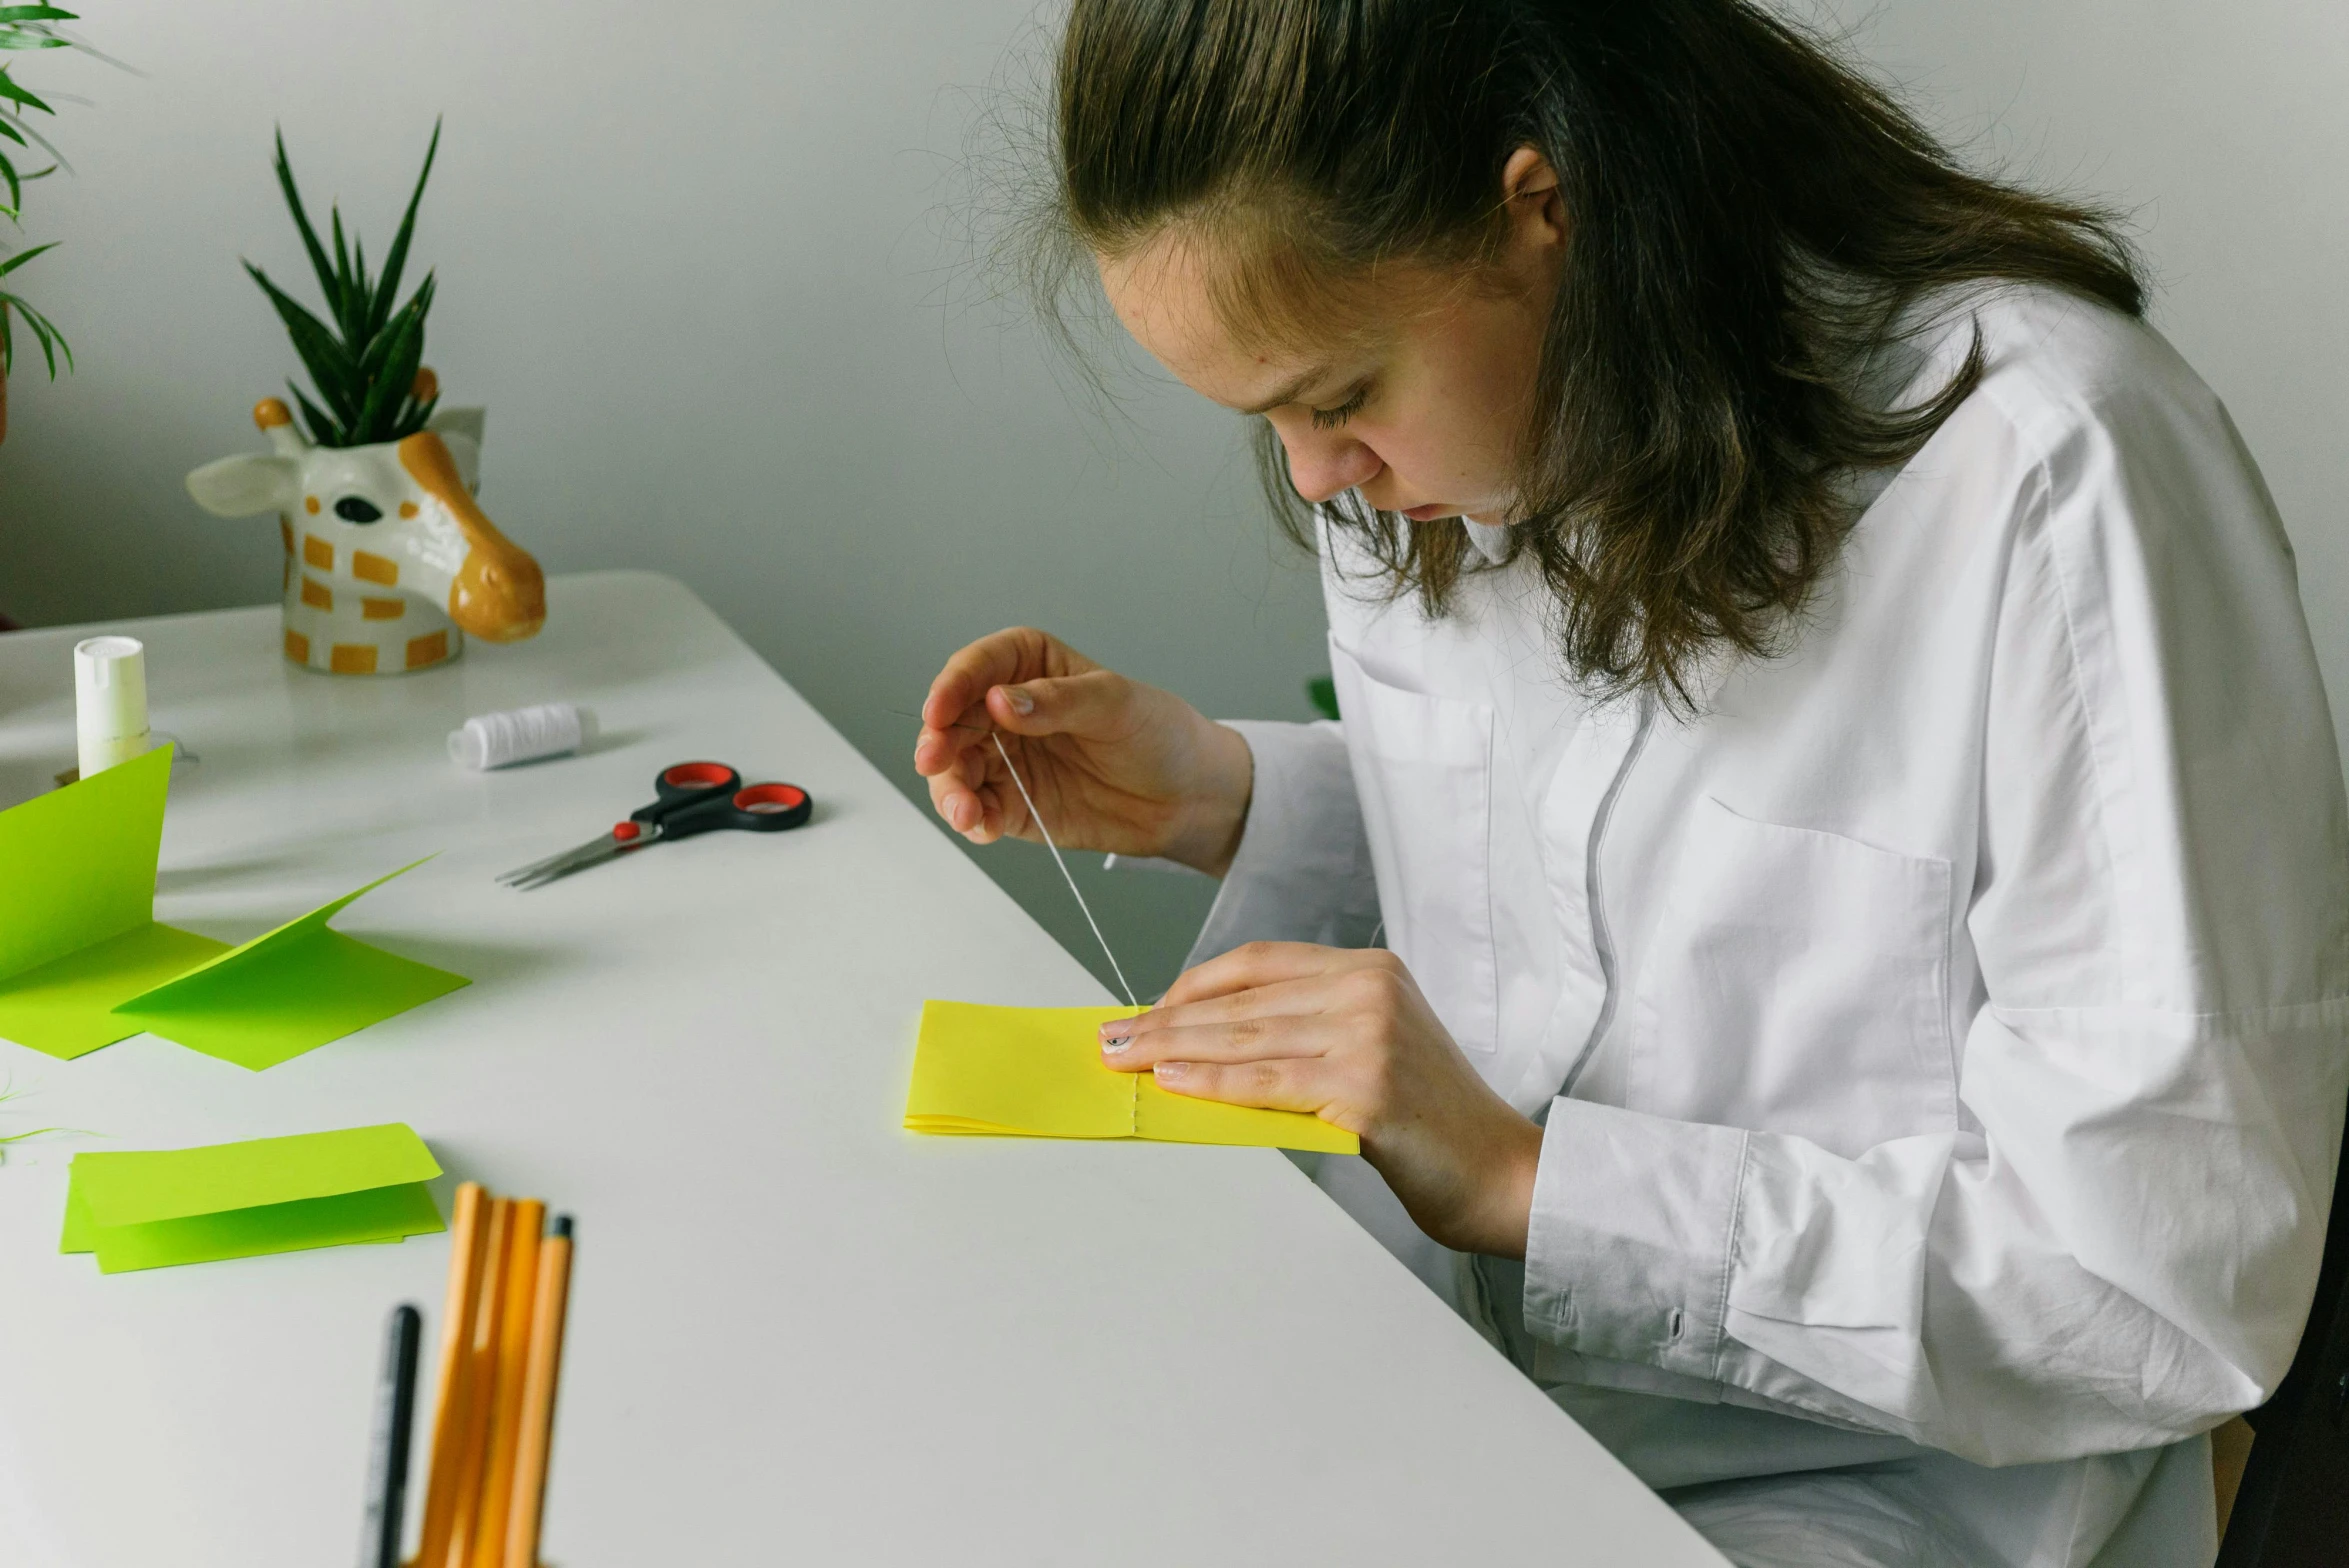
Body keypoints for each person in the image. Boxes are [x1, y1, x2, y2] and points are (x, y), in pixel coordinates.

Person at [912, 2, 2349, 1563]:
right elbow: (1606, 887)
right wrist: (1227, 794)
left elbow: (2153, 1286)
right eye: (1271, 421)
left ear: (1550, 209)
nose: (1321, 476)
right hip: (1451, 1389)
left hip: (1860, 1495)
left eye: (1333, 401)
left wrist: (1540, 1186)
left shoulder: (2057, 477)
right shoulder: (1437, 449)